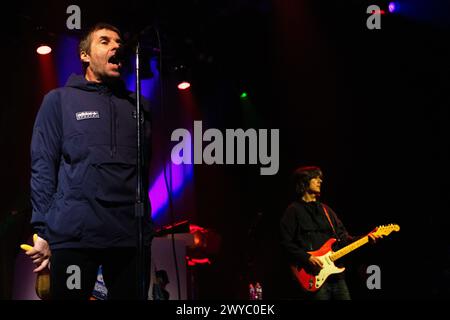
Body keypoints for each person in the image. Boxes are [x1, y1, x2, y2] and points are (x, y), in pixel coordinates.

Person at [26, 22, 154, 299]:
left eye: (119, 42)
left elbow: (143, 169)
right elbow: (43, 165)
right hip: (75, 235)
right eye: (105, 41)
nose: (116, 47)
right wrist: (42, 230)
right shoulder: (59, 100)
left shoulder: (139, 106)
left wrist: (145, 230)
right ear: (85, 55)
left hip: (128, 237)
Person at [279, 166, 378, 300]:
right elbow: (285, 242)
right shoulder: (293, 211)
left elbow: (344, 239)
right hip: (313, 277)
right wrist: (307, 258)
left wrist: (366, 238)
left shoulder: (327, 211)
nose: (320, 181)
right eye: (315, 178)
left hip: (337, 277)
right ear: (303, 182)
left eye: (321, 178)